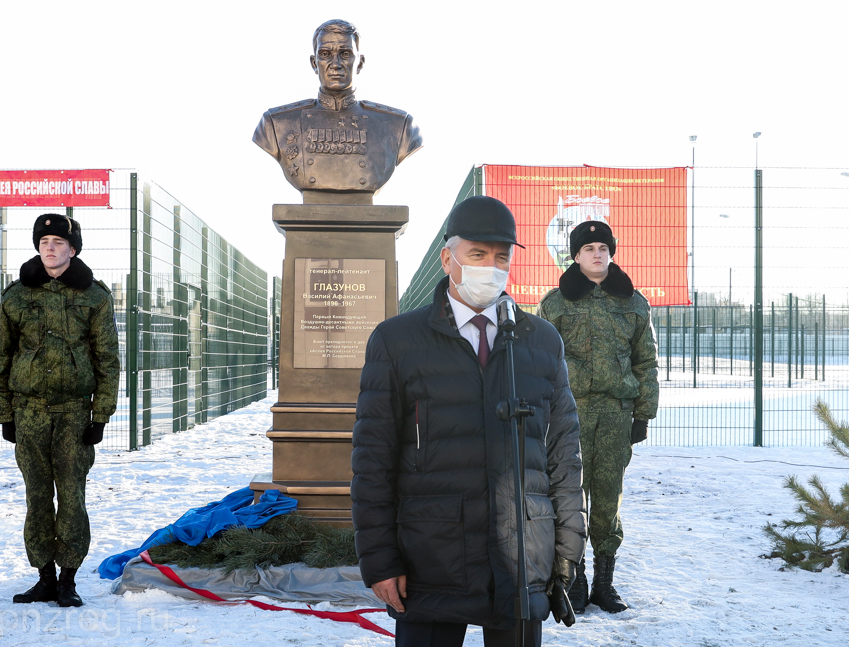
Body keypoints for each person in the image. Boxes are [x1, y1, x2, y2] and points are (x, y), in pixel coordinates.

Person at [351, 196, 586, 646]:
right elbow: (372, 462)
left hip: (520, 560)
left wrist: (566, 548)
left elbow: (563, 453)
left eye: (501, 257)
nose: (490, 268)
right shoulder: (397, 342)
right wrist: (380, 560)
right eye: (477, 254)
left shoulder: (541, 341)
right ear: (448, 258)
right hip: (430, 563)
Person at [0, 213, 120, 608]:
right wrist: (4, 413)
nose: (50, 248)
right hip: (28, 412)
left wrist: (101, 416)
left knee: (72, 495)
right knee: (36, 497)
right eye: (44, 241)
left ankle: (68, 578)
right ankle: (44, 577)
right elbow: (0, 357)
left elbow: (107, 359)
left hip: (73, 414)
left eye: (59, 242)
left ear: (73, 249)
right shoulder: (16, 296)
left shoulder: (94, 297)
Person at [537, 220, 659, 614]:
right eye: (589, 248)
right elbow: (539, 362)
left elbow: (646, 362)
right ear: (575, 255)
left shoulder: (633, 302)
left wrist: (643, 414)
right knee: (569, 495)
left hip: (614, 415)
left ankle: (605, 584)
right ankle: (575, 578)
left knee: (607, 500)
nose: (597, 253)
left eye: (603, 247)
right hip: (568, 414)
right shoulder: (555, 303)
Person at [252, 19, 423, 198]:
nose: (335, 64)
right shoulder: (275, 123)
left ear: (360, 63)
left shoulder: (399, 126)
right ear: (313, 63)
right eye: (325, 54)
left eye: (345, 53)